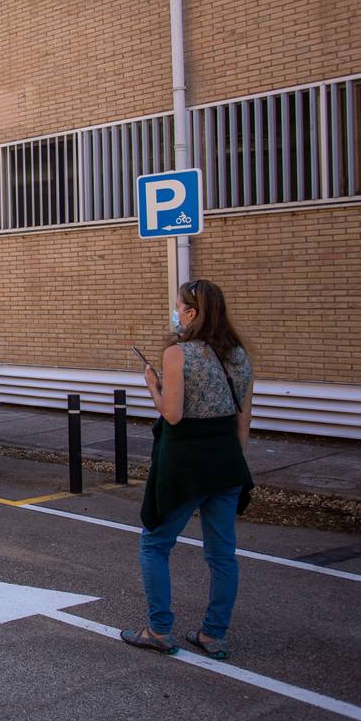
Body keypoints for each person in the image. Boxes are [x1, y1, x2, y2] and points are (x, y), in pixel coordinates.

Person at [122, 279, 255, 660]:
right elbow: (243, 419)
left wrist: (153, 385)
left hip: (185, 464)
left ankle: (159, 629)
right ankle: (214, 634)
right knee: (222, 554)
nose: (176, 312)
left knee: (155, 543)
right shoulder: (238, 354)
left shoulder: (178, 354)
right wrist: (233, 462)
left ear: (192, 313)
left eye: (179, 307)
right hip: (227, 460)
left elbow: (173, 414)